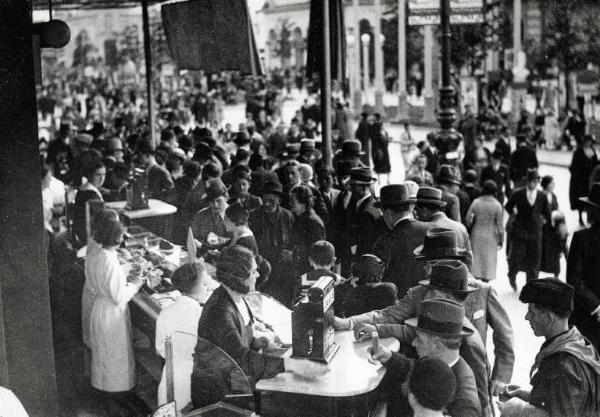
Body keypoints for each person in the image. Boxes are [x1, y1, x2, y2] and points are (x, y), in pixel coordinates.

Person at [337, 231, 515, 404]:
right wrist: (348, 323)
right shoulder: (420, 292)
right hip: (433, 367)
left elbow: (504, 333)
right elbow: (387, 315)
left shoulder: (484, 291)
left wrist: (500, 377)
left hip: (471, 370)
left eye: (427, 264)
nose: (425, 269)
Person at [190, 245, 327, 408]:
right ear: (239, 276)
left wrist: (261, 341)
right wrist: (292, 365)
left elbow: (237, 340)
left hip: (234, 385)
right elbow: (240, 358)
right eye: (253, 271)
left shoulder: (236, 297)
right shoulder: (219, 310)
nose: (258, 274)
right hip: (219, 398)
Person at [501, 278, 600, 417]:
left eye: (532, 312)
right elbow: (566, 399)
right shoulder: (579, 342)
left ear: (549, 318)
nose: (526, 317)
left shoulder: (561, 364)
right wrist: (526, 395)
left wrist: (515, 409)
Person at [369, 298, 481, 417]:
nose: (414, 343)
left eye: (420, 340)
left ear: (438, 347)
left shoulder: (465, 405)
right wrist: (390, 356)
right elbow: (417, 368)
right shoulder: (437, 365)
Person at [88, 215, 144, 411]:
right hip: (111, 313)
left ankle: (106, 394)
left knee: (105, 356)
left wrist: (125, 271)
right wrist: (136, 285)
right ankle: (117, 400)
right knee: (115, 357)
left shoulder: (98, 254)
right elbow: (119, 296)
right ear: (117, 238)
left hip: (100, 309)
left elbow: (106, 279)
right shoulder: (109, 261)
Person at [155, 262, 208, 411]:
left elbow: (160, 348)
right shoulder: (200, 315)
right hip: (194, 378)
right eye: (204, 284)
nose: (207, 288)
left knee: (170, 410)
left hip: (171, 373)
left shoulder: (166, 312)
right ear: (195, 287)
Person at [372, 184, 432, 298]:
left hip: (398, 304)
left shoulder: (385, 242)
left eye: (382, 213)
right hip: (428, 299)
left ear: (388, 213)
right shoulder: (430, 231)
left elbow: (376, 280)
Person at [248, 181, 294, 305]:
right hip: (262, 265)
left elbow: (292, 240)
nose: (267, 204)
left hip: (282, 266)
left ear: (279, 201)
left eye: (271, 201)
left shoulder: (288, 216)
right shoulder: (254, 215)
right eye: (265, 200)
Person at [505, 168, 551, 290]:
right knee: (516, 258)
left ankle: (531, 287)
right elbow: (508, 207)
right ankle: (512, 276)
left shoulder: (542, 196)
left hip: (535, 232)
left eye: (534, 182)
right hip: (520, 231)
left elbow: (547, 213)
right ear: (526, 182)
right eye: (530, 181)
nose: (531, 184)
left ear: (537, 182)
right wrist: (515, 214)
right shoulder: (518, 193)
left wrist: (542, 222)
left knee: (534, 260)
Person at [567, 182, 600, 350]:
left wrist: (596, 307)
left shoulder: (581, 238)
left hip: (586, 319)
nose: (586, 211)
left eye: (588, 207)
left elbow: (573, 280)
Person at [414, 186, 473, 269]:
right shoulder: (461, 227)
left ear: (424, 210)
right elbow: (469, 261)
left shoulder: (427, 230)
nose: (417, 215)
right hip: (458, 277)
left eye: (417, 210)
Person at [466, 180, 504, 282]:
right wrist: (501, 240)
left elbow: (468, 219)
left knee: (476, 261)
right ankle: (485, 284)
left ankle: (474, 283)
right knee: (488, 262)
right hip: (491, 237)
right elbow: (500, 225)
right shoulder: (497, 205)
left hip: (476, 234)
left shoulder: (476, 202)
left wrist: (470, 227)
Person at [289, 184, 326, 279]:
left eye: (293, 201)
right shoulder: (298, 218)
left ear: (303, 202)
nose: (290, 203)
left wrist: (294, 254)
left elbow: (318, 252)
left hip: (308, 274)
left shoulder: (313, 222)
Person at [189, 178, 231, 249]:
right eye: (211, 202)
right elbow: (193, 239)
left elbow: (238, 242)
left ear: (226, 198)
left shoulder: (234, 215)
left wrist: (220, 240)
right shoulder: (200, 215)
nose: (215, 205)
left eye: (218, 201)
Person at [72, 160, 105, 246]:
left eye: (104, 174)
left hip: (81, 236)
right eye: (98, 175)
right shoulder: (92, 194)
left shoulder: (84, 189)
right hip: (89, 239)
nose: (102, 178)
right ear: (90, 175)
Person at [569, 134, 598, 226]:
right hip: (580, 180)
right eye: (587, 141)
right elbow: (574, 166)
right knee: (580, 199)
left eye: (590, 142)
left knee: (590, 199)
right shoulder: (579, 152)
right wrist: (579, 175)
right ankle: (580, 218)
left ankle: (590, 217)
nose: (589, 143)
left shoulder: (593, 151)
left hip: (590, 179)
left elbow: (596, 164)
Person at [540, 175, 566, 276]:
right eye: (551, 183)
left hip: (553, 228)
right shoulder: (541, 195)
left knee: (556, 249)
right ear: (546, 184)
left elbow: (557, 208)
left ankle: (556, 272)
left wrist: (558, 213)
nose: (553, 185)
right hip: (544, 228)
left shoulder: (553, 196)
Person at [370, 113, 391, 185]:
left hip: (384, 150)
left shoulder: (384, 132)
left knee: (385, 164)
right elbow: (376, 141)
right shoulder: (379, 133)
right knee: (380, 164)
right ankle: (380, 180)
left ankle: (386, 179)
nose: (383, 127)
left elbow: (386, 142)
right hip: (381, 150)